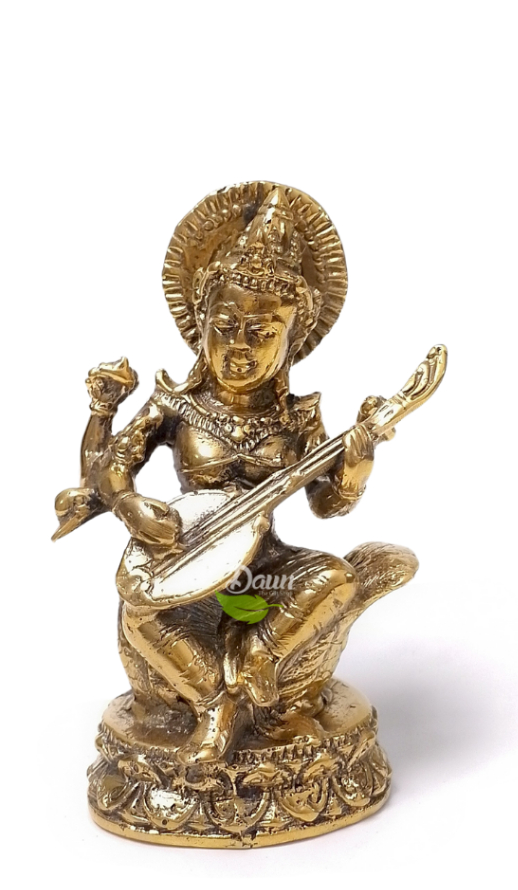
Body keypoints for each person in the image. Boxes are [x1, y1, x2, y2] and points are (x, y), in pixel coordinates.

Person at [90, 186, 385, 761]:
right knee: (140, 613)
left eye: (263, 332)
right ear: (201, 322)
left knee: (338, 577)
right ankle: (213, 705)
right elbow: (110, 469)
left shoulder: (297, 418)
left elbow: (325, 504)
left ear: (292, 341)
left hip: (263, 571)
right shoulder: (177, 405)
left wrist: (354, 469)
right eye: (225, 325)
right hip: (186, 557)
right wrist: (129, 506)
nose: (240, 347)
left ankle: (257, 656)